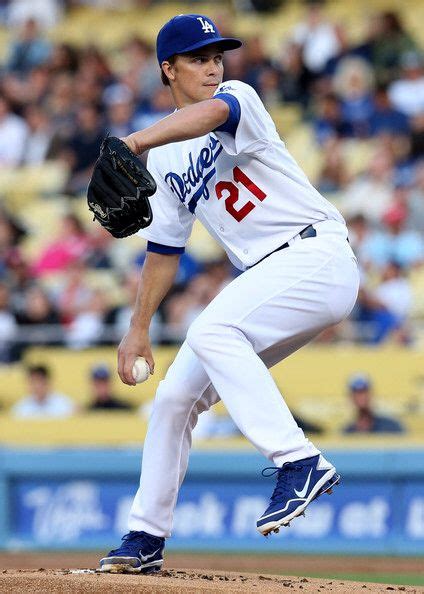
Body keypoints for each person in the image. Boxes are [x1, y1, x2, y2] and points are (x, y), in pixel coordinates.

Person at [99, 14, 359, 574]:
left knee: (212, 329)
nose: (213, 65)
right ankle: (145, 537)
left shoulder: (236, 96)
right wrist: (137, 328)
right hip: (271, 279)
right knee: (174, 399)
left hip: (316, 254)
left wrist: (136, 139)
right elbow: (164, 251)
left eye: (217, 54)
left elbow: (216, 113)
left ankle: (298, 461)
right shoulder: (165, 159)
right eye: (197, 58)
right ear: (167, 69)